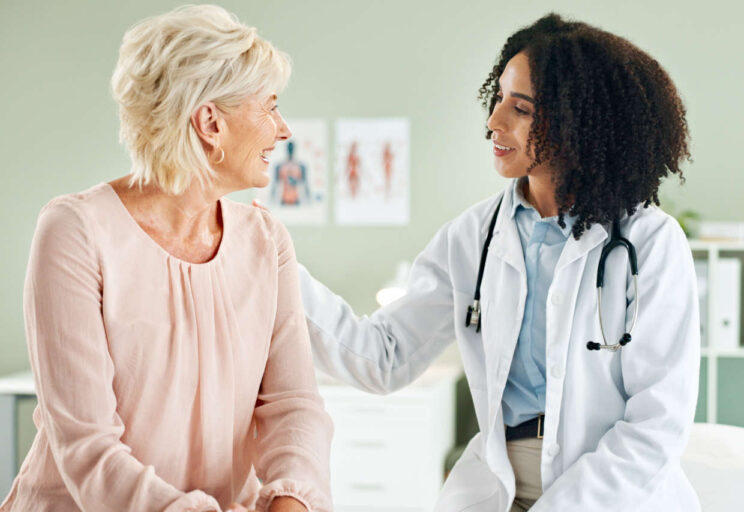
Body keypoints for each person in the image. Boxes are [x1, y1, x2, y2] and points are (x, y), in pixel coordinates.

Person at [298, 13, 699, 512]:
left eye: (521, 108)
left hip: (610, 491)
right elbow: (384, 357)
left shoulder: (650, 242)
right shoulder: (474, 236)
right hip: (499, 484)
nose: (494, 120)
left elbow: (656, 424)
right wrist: (275, 266)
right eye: (499, 98)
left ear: (578, 123)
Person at [0, 5, 331, 512]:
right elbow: (88, 448)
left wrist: (292, 501)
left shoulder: (267, 241)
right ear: (210, 123)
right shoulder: (76, 231)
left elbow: (294, 407)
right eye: (269, 107)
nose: (282, 129)